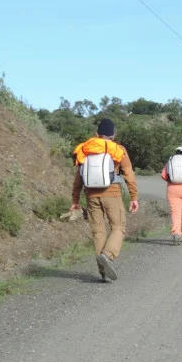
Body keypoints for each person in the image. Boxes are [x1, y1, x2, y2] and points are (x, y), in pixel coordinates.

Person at [70, 118, 139, 281]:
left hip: (90, 196)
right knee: (119, 227)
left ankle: (103, 272)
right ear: (113, 135)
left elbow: (78, 178)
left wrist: (75, 200)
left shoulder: (86, 148)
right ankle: (108, 255)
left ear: (97, 134)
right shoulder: (118, 149)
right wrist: (134, 197)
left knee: (98, 232)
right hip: (111, 193)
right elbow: (128, 173)